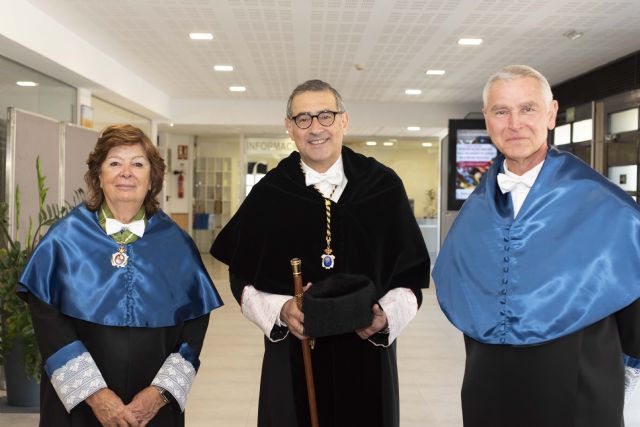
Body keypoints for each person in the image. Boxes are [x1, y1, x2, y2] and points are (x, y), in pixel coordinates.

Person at [210, 79, 430, 427]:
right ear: (289, 127)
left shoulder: (383, 185)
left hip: (367, 352)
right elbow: (244, 278)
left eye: (325, 116)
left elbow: (408, 277)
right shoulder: (270, 192)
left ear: (344, 121)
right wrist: (280, 310)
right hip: (294, 354)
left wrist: (385, 317)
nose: (315, 128)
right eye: (303, 119)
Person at [433, 65, 640, 427]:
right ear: (487, 119)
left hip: (578, 389)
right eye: (502, 111)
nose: (514, 124)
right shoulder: (474, 212)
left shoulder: (606, 206)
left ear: (551, 114)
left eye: (527, 108)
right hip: (489, 390)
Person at [18, 124, 223, 426]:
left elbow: (193, 328)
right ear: (98, 175)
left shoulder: (177, 244)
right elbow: (49, 325)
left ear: (152, 178)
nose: (126, 172)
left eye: (138, 164)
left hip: (153, 410)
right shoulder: (63, 240)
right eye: (115, 163)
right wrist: (97, 396)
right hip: (79, 408)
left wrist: (158, 394)